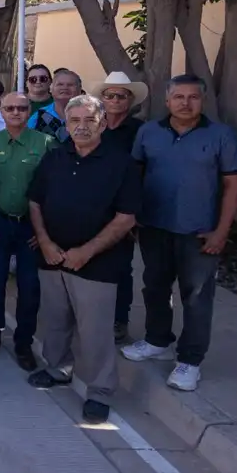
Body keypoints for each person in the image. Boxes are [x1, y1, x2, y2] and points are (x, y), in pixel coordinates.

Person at [122, 74, 237, 391]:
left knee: (197, 298)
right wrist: (132, 217)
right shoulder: (149, 132)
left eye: (192, 97)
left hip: (200, 232)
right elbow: (135, 176)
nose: (185, 103)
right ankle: (157, 340)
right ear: (167, 100)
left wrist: (221, 231)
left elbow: (232, 186)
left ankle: (190, 361)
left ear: (202, 101)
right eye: (179, 97)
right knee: (155, 288)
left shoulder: (221, 136)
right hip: (154, 227)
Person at [29, 94, 141, 423]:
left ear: (103, 123)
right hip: (52, 255)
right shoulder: (54, 157)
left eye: (89, 120)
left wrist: (86, 251)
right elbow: (35, 202)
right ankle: (58, 368)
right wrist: (46, 242)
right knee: (55, 320)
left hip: (99, 263)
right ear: (66, 124)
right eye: (75, 120)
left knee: (95, 332)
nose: (81, 126)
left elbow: (126, 217)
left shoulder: (122, 164)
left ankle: (99, 391)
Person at [0, 92, 52, 370]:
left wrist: (44, 228)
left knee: (29, 289)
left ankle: (23, 344)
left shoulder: (45, 143)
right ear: (2, 112)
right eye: (10, 108)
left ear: (30, 112)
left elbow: (56, 188)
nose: (16, 112)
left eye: (22, 108)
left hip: (30, 227)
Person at [88, 70, 148, 340]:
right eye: (109, 95)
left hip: (123, 210)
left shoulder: (140, 131)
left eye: (120, 96)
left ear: (130, 100)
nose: (114, 100)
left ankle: (118, 321)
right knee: (92, 262)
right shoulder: (93, 126)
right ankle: (93, 318)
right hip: (92, 208)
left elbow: (146, 171)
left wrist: (136, 213)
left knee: (122, 267)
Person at [29, 68, 80, 142]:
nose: (65, 88)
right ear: (51, 89)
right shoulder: (39, 115)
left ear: (79, 89)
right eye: (60, 84)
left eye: (70, 85)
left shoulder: (88, 114)